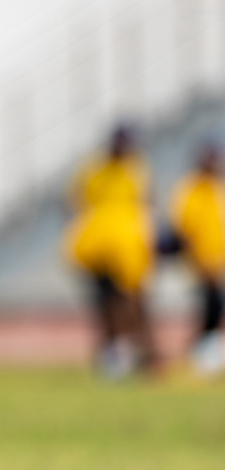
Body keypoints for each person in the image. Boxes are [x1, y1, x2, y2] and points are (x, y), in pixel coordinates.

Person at [65, 124, 159, 378]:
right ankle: (114, 355)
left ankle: (141, 354)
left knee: (133, 304)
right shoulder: (94, 170)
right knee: (106, 305)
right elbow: (76, 203)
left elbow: (145, 206)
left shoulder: (136, 170)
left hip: (129, 251)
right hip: (100, 251)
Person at [168, 140, 225, 376]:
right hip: (201, 262)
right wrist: (199, 261)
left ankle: (203, 352)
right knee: (211, 307)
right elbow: (185, 228)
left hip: (217, 259)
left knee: (215, 309)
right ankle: (202, 353)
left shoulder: (217, 188)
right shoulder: (190, 189)